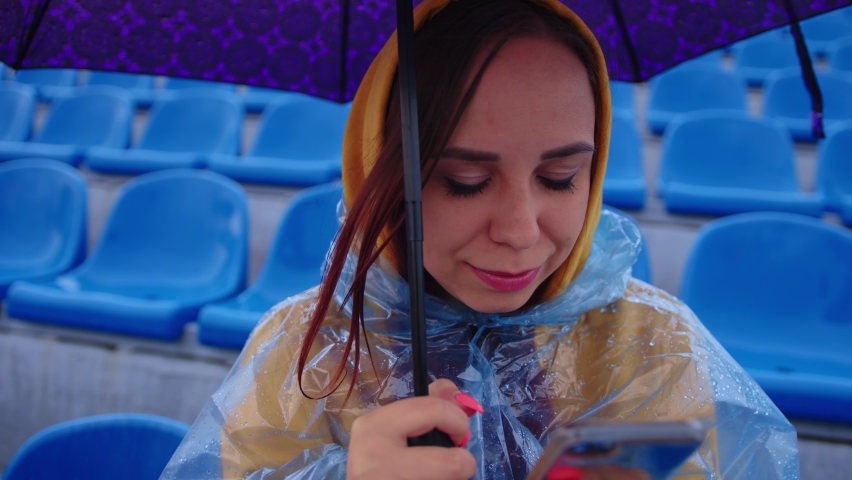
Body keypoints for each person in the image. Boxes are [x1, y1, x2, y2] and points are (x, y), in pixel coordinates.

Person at [161, 0, 800, 478]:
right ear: (382, 172)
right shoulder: (307, 357)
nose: (521, 232)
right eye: (465, 181)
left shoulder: (655, 346)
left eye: (560, 177)